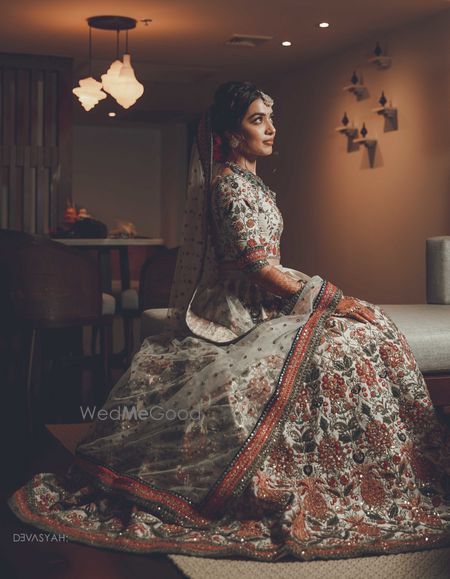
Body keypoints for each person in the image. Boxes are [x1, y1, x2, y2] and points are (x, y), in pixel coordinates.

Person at [8, 81, 450, 561]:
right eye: (257, 120)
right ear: (232, 135)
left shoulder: (252, 183)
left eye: (270, 118)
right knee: (343, 337)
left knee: (366, 331)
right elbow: (256, 268)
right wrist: (332, 297)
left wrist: (328, 300)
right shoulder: (228, 185)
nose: (270, 128)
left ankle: (396, 467)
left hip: (266, 300)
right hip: (236, 311)